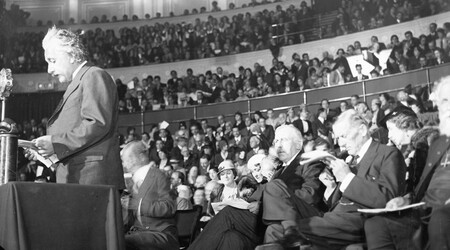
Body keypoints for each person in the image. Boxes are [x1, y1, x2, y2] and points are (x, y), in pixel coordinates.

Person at [277, 109, 407, 249]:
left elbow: (388, 198)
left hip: (360, 221)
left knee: (289, 231)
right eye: (337, 138)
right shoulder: (345, 157)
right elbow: (337, 202)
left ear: (362, 130)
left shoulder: (387, 154)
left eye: (343, 136)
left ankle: (292, 233)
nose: (341, 143)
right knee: (276, 229)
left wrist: (347, 178)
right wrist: (331, 187)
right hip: (334, 219)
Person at [188, 125, 325, 250]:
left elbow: (310, 195)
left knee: (229, 214)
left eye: (283, 140)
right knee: (232, 238)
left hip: (292, 219)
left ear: (298, 144)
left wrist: (267, 204)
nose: (278, 145)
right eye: (276, 141)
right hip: (265, 218)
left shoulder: (309, 163)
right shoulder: (279, 170)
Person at [30, 26, 124, 189]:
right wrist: (50, 152)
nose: (49, 69)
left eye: (52, 61)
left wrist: (56, 143)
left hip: (92, 178)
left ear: (72, 55)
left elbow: (97, 123)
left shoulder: (93, 75)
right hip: (80, 176)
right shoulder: (80, 80)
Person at [364, 75, 450, 250]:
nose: (447, 108)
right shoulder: (439, 144)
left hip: (441, 214)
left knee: (440, 219)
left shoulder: (426, 141)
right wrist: (406, 199)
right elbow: (425, 187)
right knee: (374, 224)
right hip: (425, 210)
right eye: (443, 103)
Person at [121, 141, 178, 250]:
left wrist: (138, 205)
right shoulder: (130, 181)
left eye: (127, 159)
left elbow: (170, 207)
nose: (124, 164)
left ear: (140, 157)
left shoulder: (159, 175)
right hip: (137, 231)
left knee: (123, 242)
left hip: (160, 233)